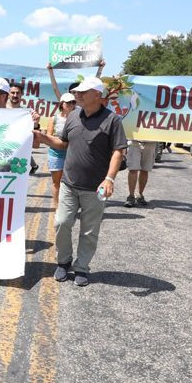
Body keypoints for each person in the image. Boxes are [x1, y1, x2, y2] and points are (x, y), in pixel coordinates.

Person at [33, 76, 128, 287]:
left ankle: (82, 267)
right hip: (69, 183)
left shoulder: (112, 120)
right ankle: (63, 261)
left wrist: (109, 179)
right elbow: (63, 143)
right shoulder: (74, 116)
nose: (78, 95)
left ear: (97, 95)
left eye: (83, 92)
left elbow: (118, 151)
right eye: (77, 92)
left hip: (96, 188)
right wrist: (42, 137)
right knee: (61, 223)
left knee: (89, 230)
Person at [46, 93, 77, 206]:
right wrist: (61, 142)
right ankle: (56, 206)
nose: (71, 104)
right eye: (68, 102)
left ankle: (67, 206)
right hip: (56, 153)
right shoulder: (54, 118)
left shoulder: (78, 118)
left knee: (70, 183)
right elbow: (48, 137)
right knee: (56, 182)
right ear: (62, 103)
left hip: (72, 154)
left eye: (73, 102)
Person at [124, 140, 158, 207]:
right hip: (134, 142)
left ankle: (140, 195)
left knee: (145, 170)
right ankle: (131, 196)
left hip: (150, 143)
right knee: (133, 169)